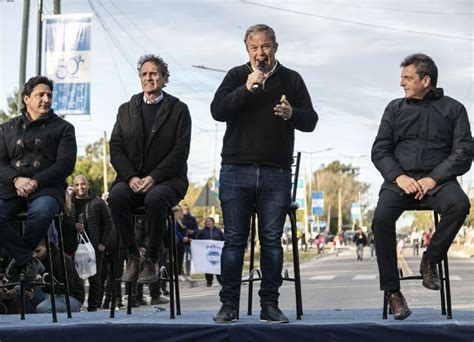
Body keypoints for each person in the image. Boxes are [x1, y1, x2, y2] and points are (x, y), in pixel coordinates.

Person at [211, 24, 318, 323]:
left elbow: (311, 120)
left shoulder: (292, 79)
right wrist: (246, 88)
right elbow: (217, 110)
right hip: (236, 170)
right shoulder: (236, 76)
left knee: (272, 240)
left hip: (276, 172)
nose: (261, 53)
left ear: (275, 47)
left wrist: (291, 114)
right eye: (254, 47)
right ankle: (228, 304)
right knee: (234, 240)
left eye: (266, 46)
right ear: (247, 50)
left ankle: (269, 304)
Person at [371, 53, 471, 320]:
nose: (401, 83)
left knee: (460, 204)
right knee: (380, 220)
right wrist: (398, 177)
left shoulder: (454, 109)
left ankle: (431, 260)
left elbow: (463, 153)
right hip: (399, 182)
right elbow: (380, 150)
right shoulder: (394, 108)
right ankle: (393, 293)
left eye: (407, 77)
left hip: (438, 183)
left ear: (426, 80)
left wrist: (433, 179)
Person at [108, 54, 192, 285]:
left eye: (154, 73)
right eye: (144, 74)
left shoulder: (179, 110)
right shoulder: (126, 109)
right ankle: (132, 254)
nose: (149, 78)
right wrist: (131, 176)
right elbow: (115, 147)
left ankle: (153, 257)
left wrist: (154, 177)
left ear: (164, 78)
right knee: (115, 197)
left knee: (155, 199)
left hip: (167, 180)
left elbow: (180, 151)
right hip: (132, 179)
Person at [0, 76, 77, 284]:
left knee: (41, 212)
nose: (46, 99)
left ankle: (18, 263)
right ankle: (27, 260)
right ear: (26, 99)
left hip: (47, 188)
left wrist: (34, 182)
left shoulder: (64, 128)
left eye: (49, 95)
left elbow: (65, 165)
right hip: (11, 188)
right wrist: (16, 180)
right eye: (40, 95)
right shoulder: (6, 128)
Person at [64, 175, 113, 311]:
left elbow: (109, 223)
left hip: (95, 248)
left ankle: (93, 307)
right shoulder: (69, 203)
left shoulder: (98, 202)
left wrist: (103, 242)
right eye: (77, 184)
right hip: (74, 247)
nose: (80, 187)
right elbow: (64, 223)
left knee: (95, 279)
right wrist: (74, 226)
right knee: (76, 279)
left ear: (88, 185)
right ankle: (76, 306)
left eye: (83, 184)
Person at [22, 239, 84, 313]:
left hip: (71, 297)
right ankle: (33, 319)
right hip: (51, 293)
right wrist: (30, 288)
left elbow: (68, 288)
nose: (35, 255)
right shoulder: (38, 260)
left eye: (38, 251)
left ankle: (42, 320)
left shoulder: (60, 259)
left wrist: (43, 285)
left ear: (47, 247)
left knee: (43, 308)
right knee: (20, 289)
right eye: (32, 252)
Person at [196, 217, 225, 287]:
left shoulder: (218, 231)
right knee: (208, 267)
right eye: (207, 222)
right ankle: (209, 281)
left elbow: (223, 238)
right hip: (206, 253)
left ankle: (221, 281)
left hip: (217, 253)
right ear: (205, 223)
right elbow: (197, 239)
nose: (209, 223)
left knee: (218, 266)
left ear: (213, 222)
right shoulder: (202, 231)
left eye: (210, 221)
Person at [175, 204, 198, 280]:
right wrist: (182, 237)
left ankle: (186, 274)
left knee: (185, 258)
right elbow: (176, 230)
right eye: (182, 209)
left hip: (186, 241)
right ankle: (178, 273)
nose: (184, 211)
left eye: (186, 209)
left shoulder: (186, 219)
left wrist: (190, 234)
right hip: (178, 241)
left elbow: (195, 229)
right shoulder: (175, 219)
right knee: (177, 258)